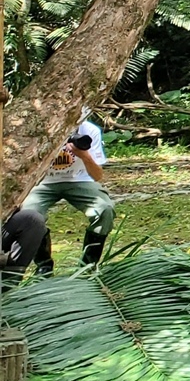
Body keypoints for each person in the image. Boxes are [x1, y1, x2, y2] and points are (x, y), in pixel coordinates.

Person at [21, 110, 115, 272]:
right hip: (42, 181)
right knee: (29, 215)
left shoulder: (90, 131)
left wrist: (84, 155)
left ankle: (88, 265)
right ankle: (44, 266)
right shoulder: (36, 130)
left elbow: (98, 176)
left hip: (79, 180)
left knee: (105, 210)